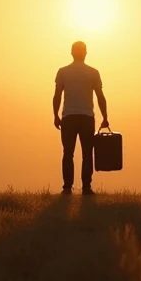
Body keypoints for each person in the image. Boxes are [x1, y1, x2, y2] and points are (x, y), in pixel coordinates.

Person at [53, 40, 109, 195]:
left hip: (69, 117)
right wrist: (105, 117)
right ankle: (86, 188)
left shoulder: (63, 71)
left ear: (71, 53)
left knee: (68, 153)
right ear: (85, 53)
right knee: (87, 153)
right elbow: (100, 97)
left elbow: (57, 95)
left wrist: (55, 115)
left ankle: (67, 188)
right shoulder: (93, 72)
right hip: (87, 117)